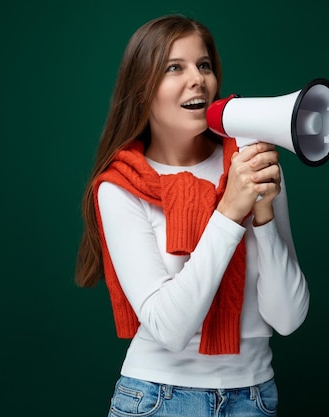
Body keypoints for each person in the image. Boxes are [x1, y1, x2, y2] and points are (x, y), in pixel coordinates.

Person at [75, 14, 309, 417]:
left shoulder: (252, 165)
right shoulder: (119, 187)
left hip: (253, 398)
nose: (197, 79)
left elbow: (287, 318)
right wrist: (230, 212)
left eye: (204, 65)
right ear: (141, 88)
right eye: (173, 68)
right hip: (157, 400)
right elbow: (169, 327)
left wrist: (263, 216)